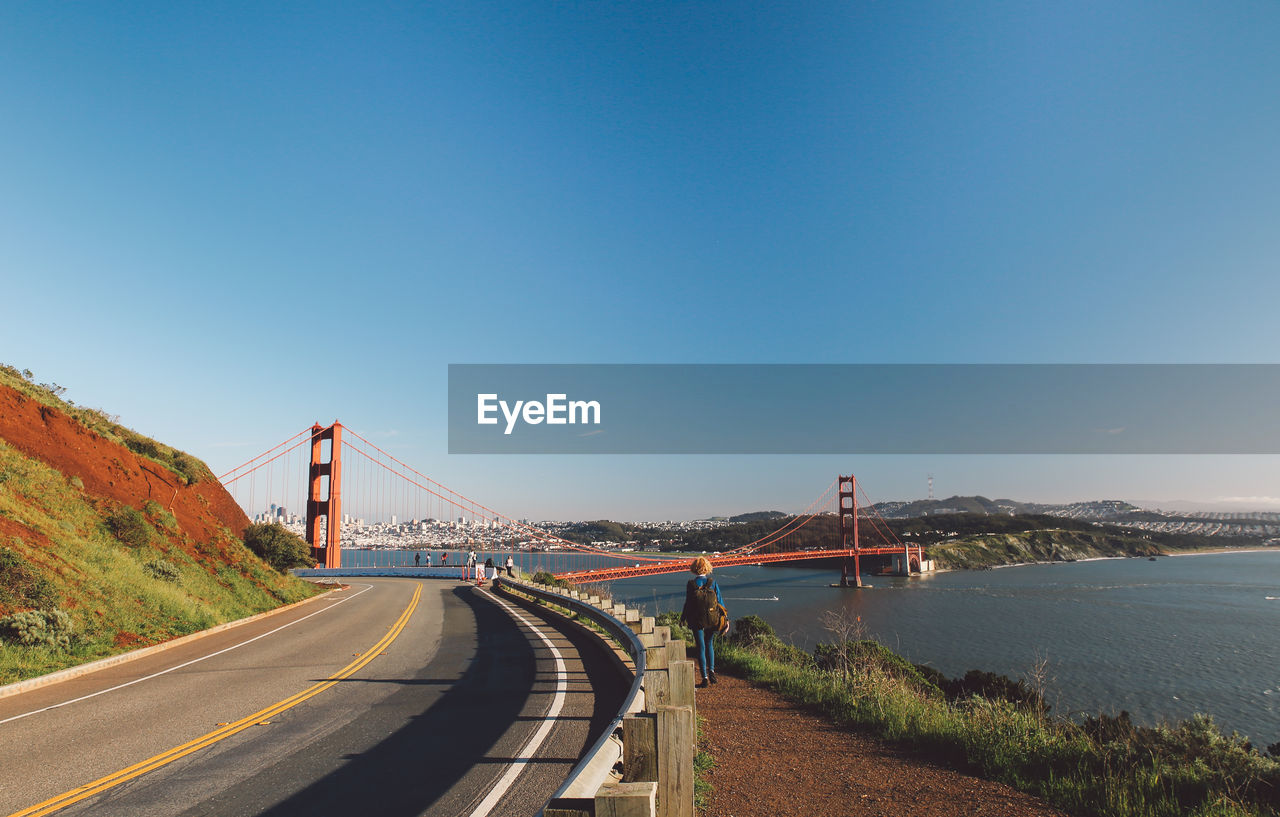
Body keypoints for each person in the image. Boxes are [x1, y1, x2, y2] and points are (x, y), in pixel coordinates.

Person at [680, 556, 726, 688]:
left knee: (701, 647)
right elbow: (720, 603)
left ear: (694, 568)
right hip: (712, 619)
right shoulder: (713, 582)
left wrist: (683, 618)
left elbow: (688, 604)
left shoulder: (691, 584)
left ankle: (704, 678)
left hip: (696, 620)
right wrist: (725, 620)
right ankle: (711, 671)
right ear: (707, 568)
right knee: (709, 644)